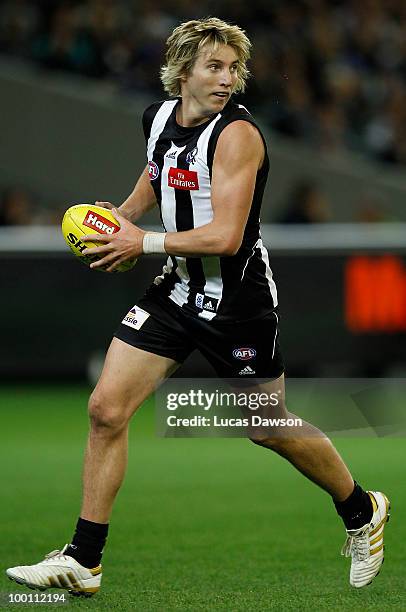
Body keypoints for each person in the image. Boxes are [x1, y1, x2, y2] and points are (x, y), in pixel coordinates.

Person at [6, 17, 389, 597]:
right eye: (215, 66)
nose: (228, 78)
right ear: (181, 71)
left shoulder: (240, 135)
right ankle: (85, 560)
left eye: (234, 68)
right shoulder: (158, 117)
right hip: (176, 290)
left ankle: (362, 509)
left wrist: (144, 242)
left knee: (266, 427)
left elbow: (227, 236)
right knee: (106, 410)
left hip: (238, 302)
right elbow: (158, 176)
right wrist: (123, 218)